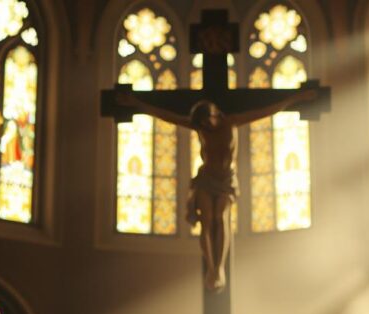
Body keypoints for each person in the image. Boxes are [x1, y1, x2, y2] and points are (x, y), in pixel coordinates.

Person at [115, 89, 317, 291]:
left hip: (226, 180)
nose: (204, 127)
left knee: (221, 217)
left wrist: (296, 98)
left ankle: (220, 268)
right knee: (207, 220)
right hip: (206, 178)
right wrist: (136, 103)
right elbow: (168, 116)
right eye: (201, 125)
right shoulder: (201, 127)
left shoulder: (232, 122)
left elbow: (267, 110)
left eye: (206, 122)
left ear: (215, 114)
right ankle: (211, 269)